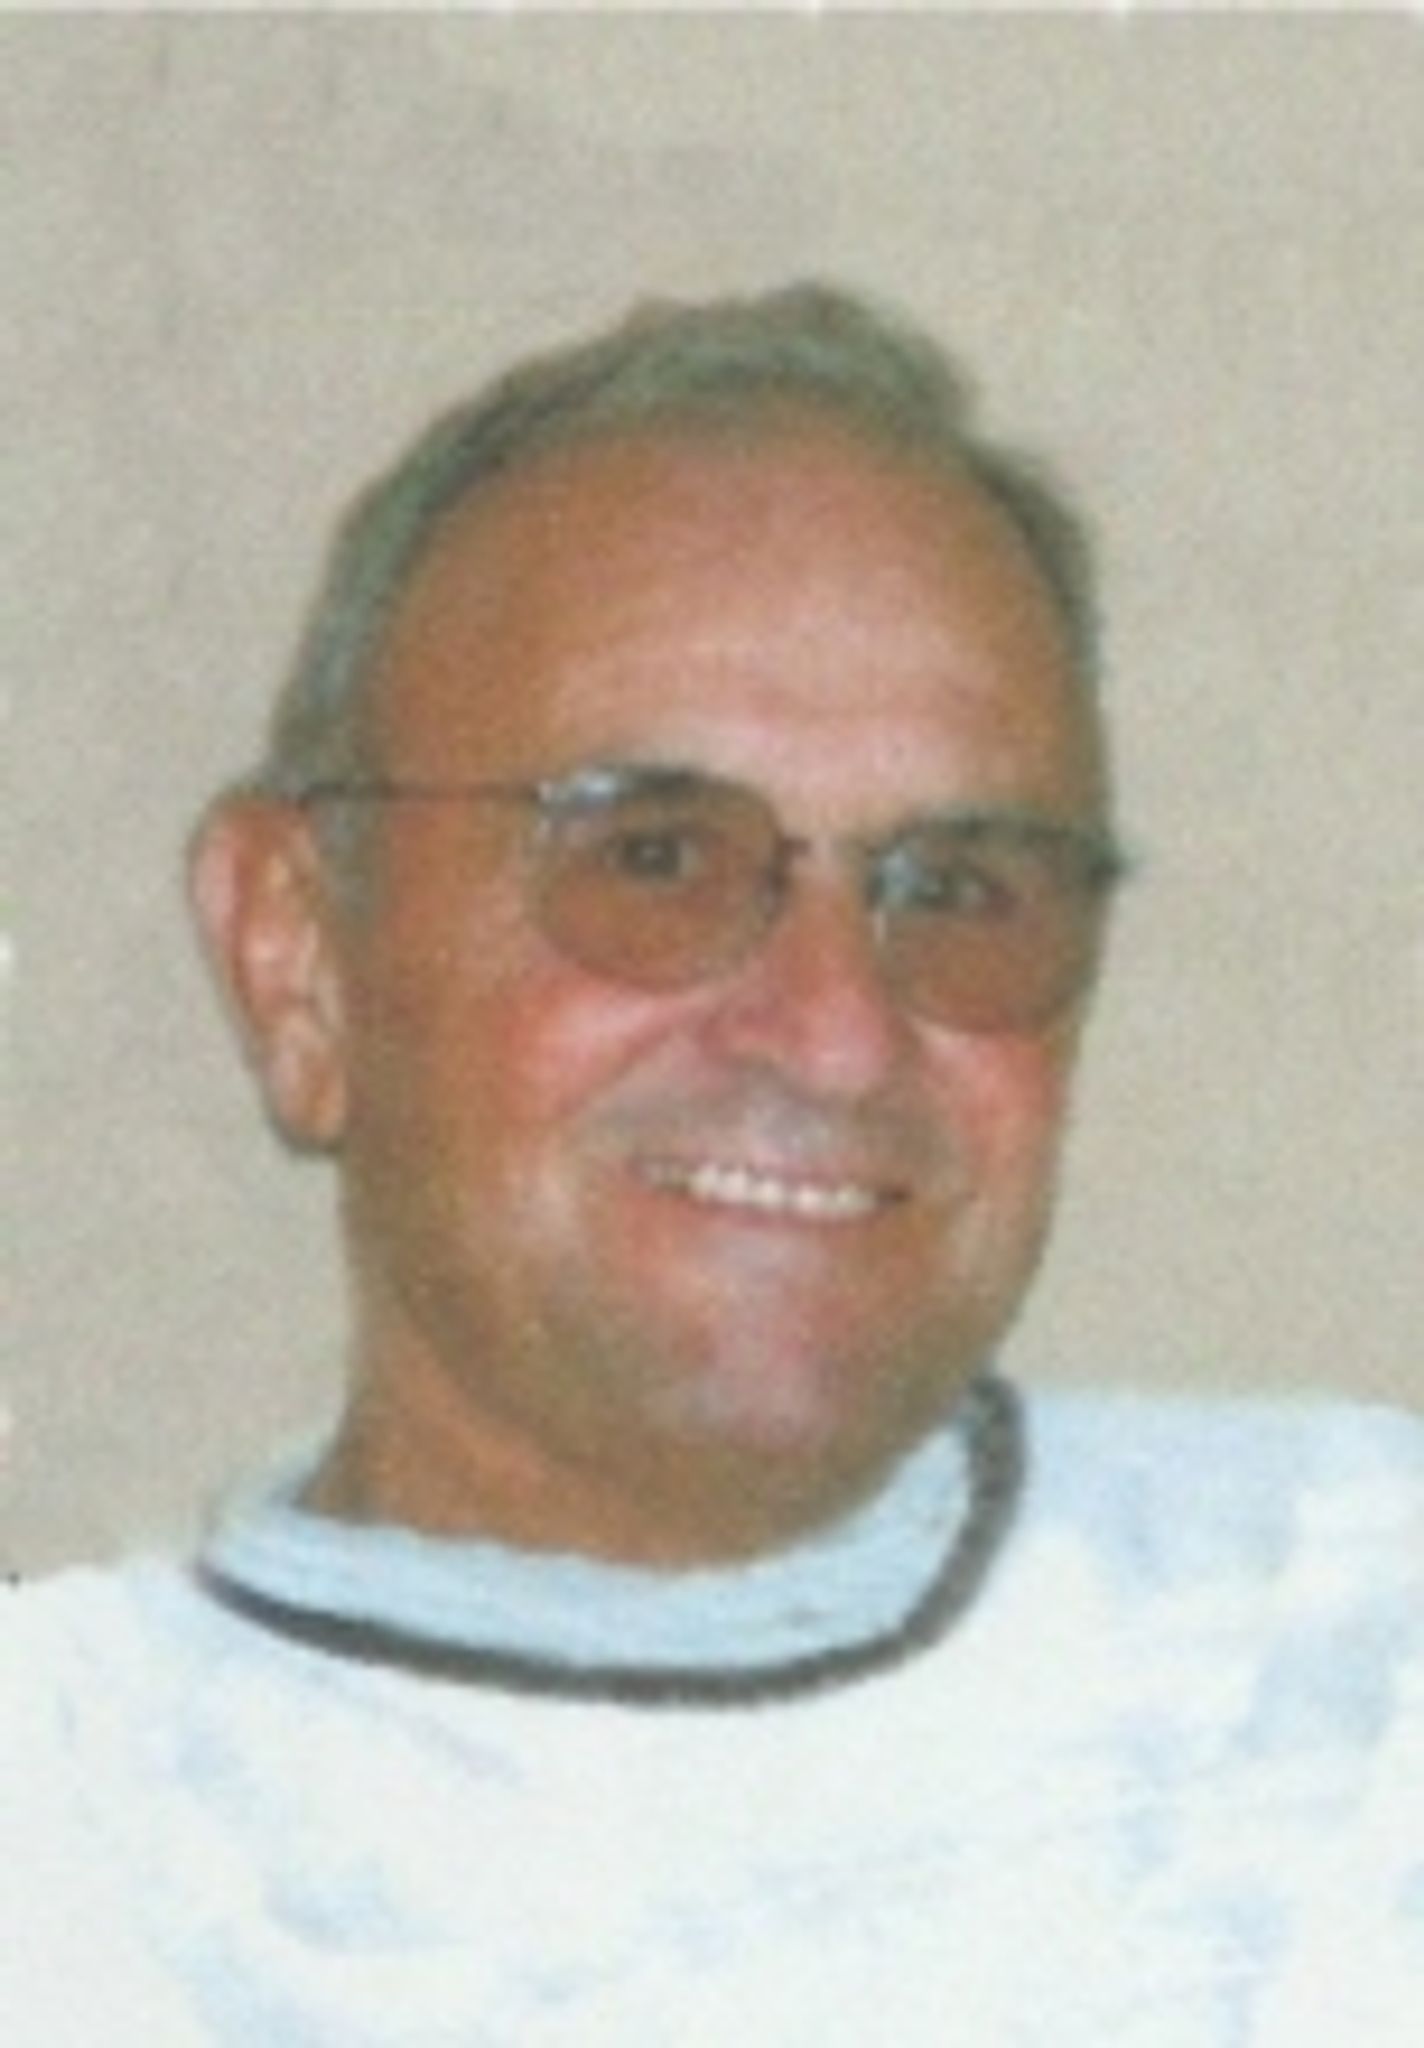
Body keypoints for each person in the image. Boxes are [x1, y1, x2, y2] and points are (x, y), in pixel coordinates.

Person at [3, 284, 1419, 2045]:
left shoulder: (1356, 1648)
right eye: (656, 860)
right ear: (299, 955)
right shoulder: (60, 1848)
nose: (834, 1034)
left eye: (962, 890)